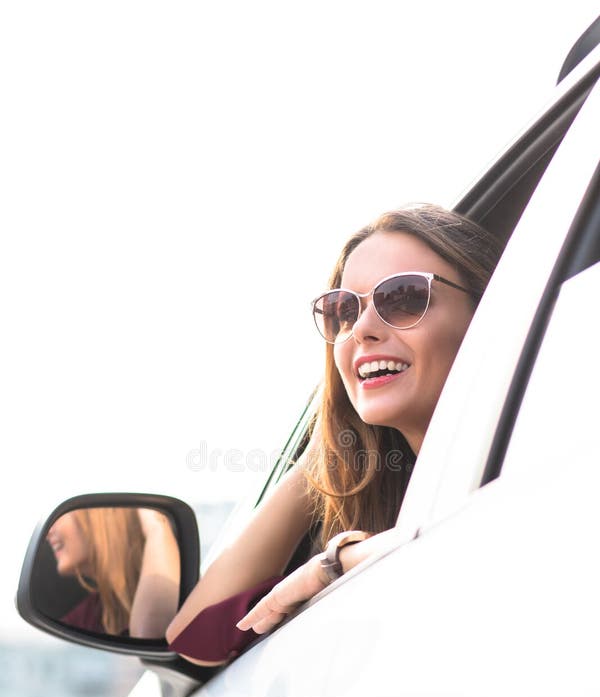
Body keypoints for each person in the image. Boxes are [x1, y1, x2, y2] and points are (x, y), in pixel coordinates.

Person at [166, 204, 502, 664]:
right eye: (343, 311)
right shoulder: (396, 496)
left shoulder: (528, 459)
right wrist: (332, 442)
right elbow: (195, 640)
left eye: (402, 297)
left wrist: (335, 564)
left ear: (489, 314)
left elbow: (494, 538)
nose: (361, 329)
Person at [46, 506, 180, 638]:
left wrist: (156, 528)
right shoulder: (92, 611)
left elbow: (152, 636)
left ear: (100, 518)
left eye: (59, 514)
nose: (48, 532)